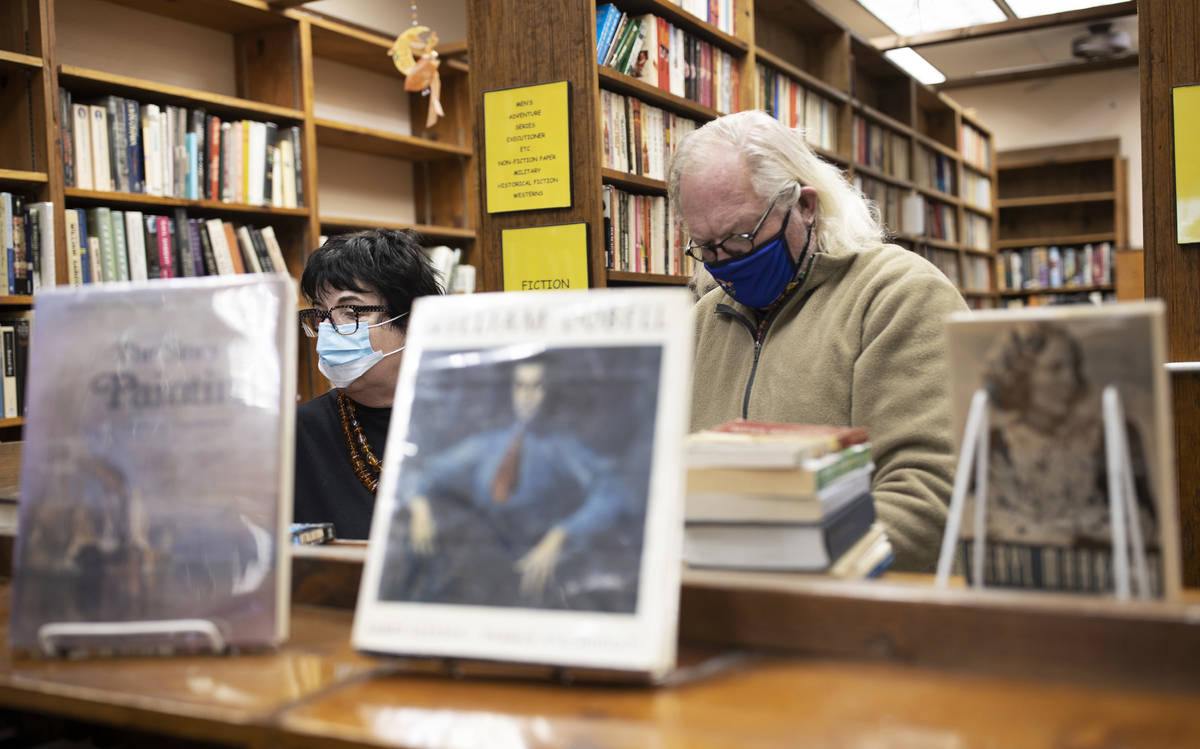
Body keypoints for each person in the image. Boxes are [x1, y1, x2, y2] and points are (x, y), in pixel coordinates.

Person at [668, 110, 968, 572]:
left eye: (741, 238)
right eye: (707, 248)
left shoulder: (897, 294)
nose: (724, 263)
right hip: (717, 606)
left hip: (859, 620)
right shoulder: (702, 322)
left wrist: (768, 558)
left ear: (805, 205)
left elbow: (932, 496)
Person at [378, 354, 646, 612]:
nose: (527, 396)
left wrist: (561, 535)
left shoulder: (562, 448)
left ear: (549, 391)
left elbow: (612, 490)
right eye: (520, 386)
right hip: (477, 568)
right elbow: (422, 471)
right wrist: (420, 508)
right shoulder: (488, 445)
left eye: (536, 386)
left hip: (532, 574)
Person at [293, 229, 443, 539]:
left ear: (412, 319)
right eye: (321, 315)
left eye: (350, 311)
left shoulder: (471, 421)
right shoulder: (297, 433)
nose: (328, 331)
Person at [980, 322, 1157, 561]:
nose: (1071, 380)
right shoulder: (996, 443)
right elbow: (989, 526)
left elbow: (1143, 525)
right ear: (1022, 377)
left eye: (1074, 367)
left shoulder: (1110, 435)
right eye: (1055, 368)